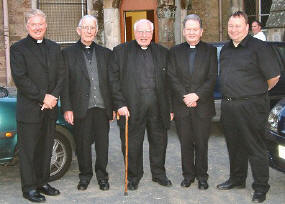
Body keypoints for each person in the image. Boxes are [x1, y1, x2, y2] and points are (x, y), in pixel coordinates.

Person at [216, 11, 280, 203]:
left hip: (252, 106)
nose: (233, 29)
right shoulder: (226, 48)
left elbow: (274, 77)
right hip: (229, 106)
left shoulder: (260, 47)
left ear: (246, 27)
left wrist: (255, 93)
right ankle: (237, 179)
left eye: (237, 26)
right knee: (234, 146)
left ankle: (261, 187)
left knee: (255, 147)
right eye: (230, 26)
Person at [109, 19, 172, 190]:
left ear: (152, 34)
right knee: (132, 144)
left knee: (159, 142)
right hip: (131, 108)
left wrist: (170, 108)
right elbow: (113, 81)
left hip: (157, 107)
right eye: (140, 32)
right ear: (134, 33)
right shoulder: (120, 52)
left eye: (147, 32)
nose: (144, 36)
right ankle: (134, 176)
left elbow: (170, 82)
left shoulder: (162, 52)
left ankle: (158, 174)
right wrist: (119, 104)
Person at [10, 9, 64, 202]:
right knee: (29, 151)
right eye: (34, 24)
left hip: (49, 110)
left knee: (46, 148)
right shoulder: (18, 49)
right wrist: (43, 98)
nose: (38, 27)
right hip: (30, 110)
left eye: (41, 24)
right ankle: (29, 188)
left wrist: (54, 96)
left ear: (46, 25)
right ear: (27, 26)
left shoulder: (54, 47)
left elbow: (61, 75)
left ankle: (42, 182)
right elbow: (21, 79)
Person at [61, 15, 113, 191]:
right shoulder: (67, 54)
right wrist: (67, 108)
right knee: (82, 145)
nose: (89, 31)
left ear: (96, 31)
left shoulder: (106, 53)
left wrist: (112, 107)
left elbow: (111, 82)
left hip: (102, 108)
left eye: (92, 28)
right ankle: (85, 176)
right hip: (80, 108)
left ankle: (102, 176)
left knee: (102, 145)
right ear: (78, 30)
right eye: (85, 28)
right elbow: (65, 84)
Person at [167, 14, 217, 190]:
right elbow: (172, 77)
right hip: (182, 106)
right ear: (184, 31)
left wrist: (196, 96)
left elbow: (212, 78)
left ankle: (202, 176)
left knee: (202, 144)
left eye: (195, 29)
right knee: (186, 143)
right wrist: (185, 96)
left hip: (202, 106)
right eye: (188, 29)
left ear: (201, 31)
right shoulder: (174, 51)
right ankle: (188, 175)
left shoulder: (210, 51)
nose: (192, 32)